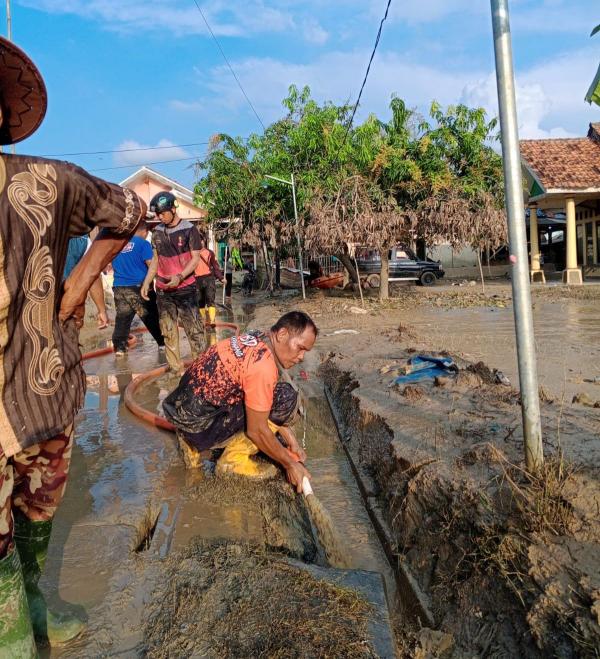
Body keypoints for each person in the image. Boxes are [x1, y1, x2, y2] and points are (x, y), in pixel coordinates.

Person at [0, 37, 146, 653]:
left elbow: (130, 211)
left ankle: (35, 607)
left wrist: (82, 280)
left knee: (38, 507)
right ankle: (11, 628)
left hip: (42, 388)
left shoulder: (48, 181)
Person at [163, 311, 317, 492]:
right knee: (286, 397)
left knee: (270, 395)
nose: (301, 357)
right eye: (300, 348)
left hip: (183, 412)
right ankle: (233, 461)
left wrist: (291, 441)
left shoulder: (256, 336)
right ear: (282, 334)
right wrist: (290, 464)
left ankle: (191, 444)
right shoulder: (263, 365)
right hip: (199, 425)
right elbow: (256, 430)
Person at [141, 192, 204, 374]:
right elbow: (155, 260)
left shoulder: (189, 229)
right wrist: (147, 282)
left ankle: (201, 371)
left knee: (195, 331)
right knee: (168, 331)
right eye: (158, 214)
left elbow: (195, 259)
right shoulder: (157, 232)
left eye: (163, 213)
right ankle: (176, 371)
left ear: (173, 209)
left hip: (185, 288)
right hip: (163, 290)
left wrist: (180, 276)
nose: (160, 217)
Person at [111, 221, 165, 355]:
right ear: (145, 231)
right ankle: (163, 344)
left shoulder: (119, 244)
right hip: (139, 287)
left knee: (122, 319)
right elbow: (151, 265)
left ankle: (120, 349)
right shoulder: (143, 244)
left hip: (119, 287)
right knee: (150, 317)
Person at [64, 236, 109, 329]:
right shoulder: (82, 241)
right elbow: (93, 276)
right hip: (68, 307)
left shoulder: (35, 231)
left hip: (40, 306)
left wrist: (101, 310)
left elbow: (93, 276)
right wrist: (101, 310)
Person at [195, 234, 224, 327]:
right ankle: (203, 321)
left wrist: (221, 277)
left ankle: (212, 321)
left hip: (208, 279)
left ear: (204, 241)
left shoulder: (210, 253)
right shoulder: (192, 254)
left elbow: (215, 266)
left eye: (201, 241)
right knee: (200, 301)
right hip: (197, 280)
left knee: (210, 299)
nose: (200, 243)